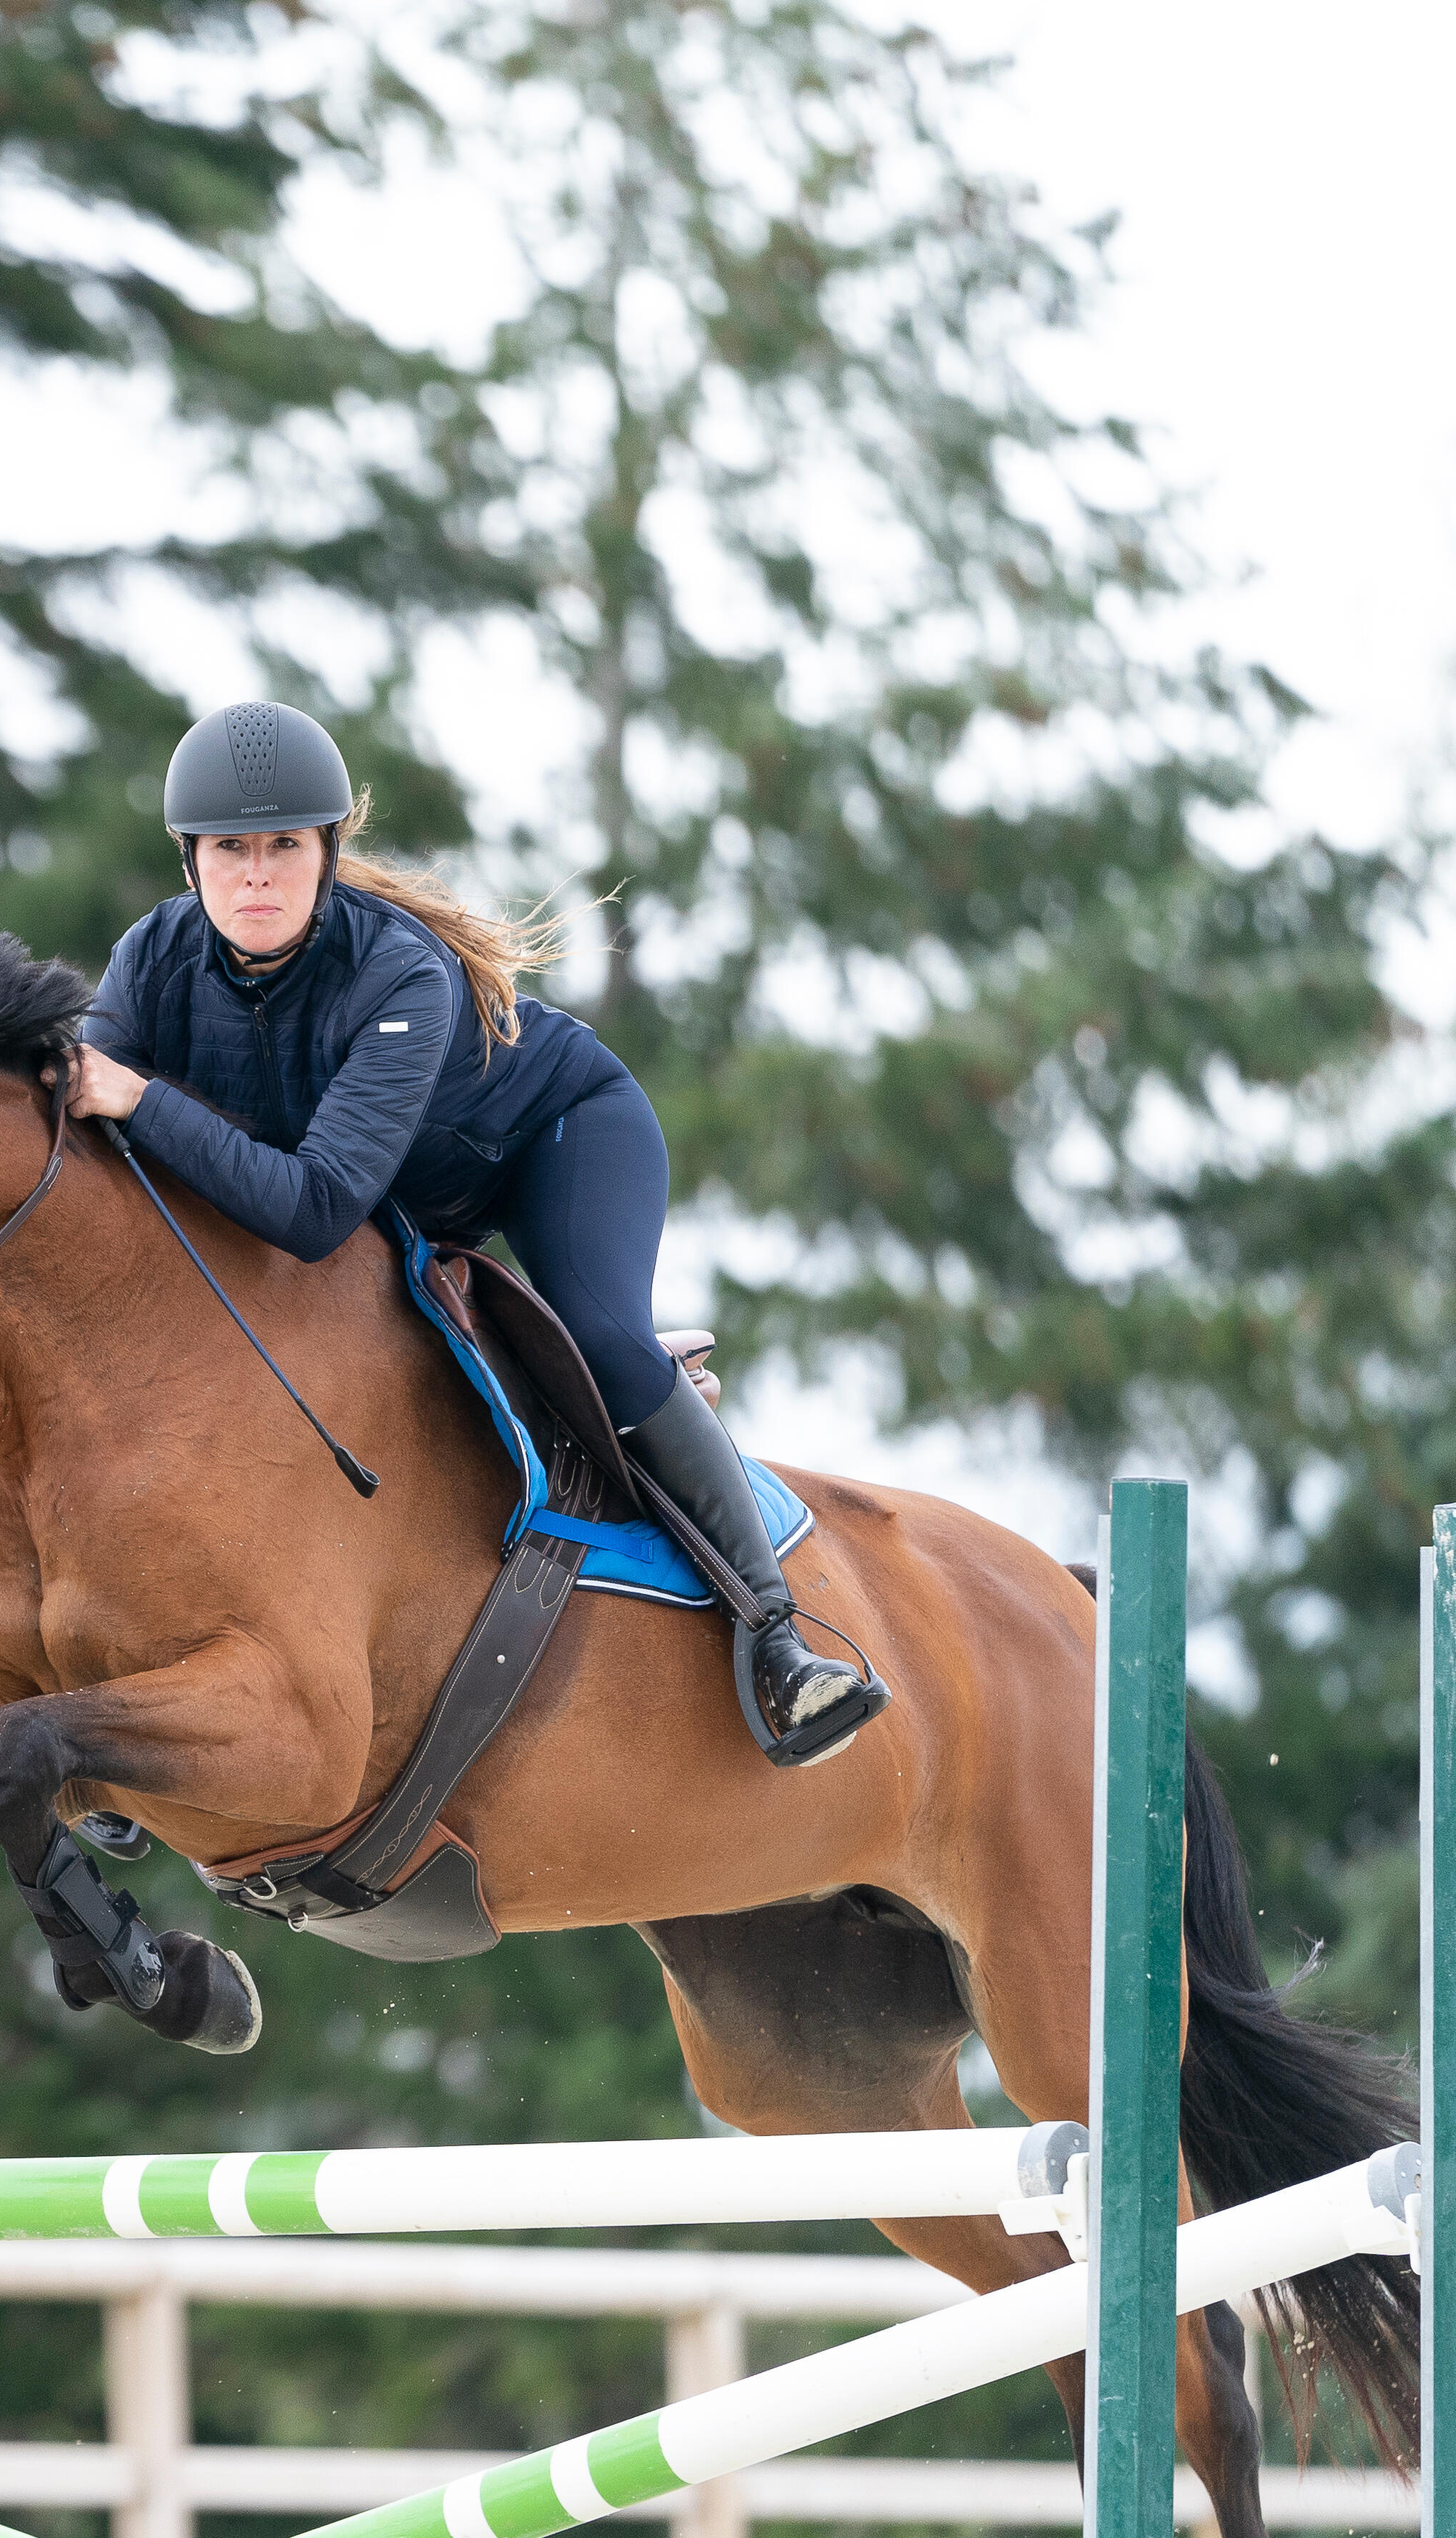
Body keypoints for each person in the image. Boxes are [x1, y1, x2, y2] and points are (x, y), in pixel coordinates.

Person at [70, 700, 885, 1767]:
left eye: (283, 848)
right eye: (231, 850)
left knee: (600, 1338)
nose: (257, 876)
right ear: (191, 864)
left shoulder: (398, 971)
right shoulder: (153, 958)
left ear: (327, 856)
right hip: (396, 1190)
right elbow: (92, 1138)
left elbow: (314, 1211)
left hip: (554, 1138)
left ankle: (780, 1638)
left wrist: (140, 1101)